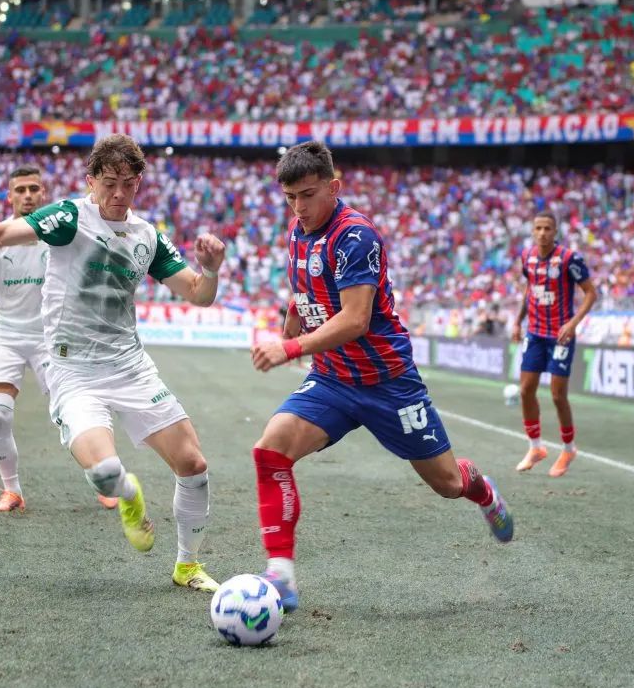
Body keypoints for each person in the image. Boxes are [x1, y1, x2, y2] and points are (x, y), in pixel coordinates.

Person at [0, 135, 224, 592]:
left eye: (128, 185)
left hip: (130, 366)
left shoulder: (147, 236)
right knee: (107, 474)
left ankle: (187, 566)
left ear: (139, 184)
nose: (118, 195)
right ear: (90, 180)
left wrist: (210, 269)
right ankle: (129, 497)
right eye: (109, 183)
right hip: (73, 371)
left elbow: (198, 294)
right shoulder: (70, 217)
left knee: (193, 464)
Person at [249, 142, 513, 612]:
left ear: (334, 185)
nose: (299, 207)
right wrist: (294, 312)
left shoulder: (357, 236)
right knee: (271, 450)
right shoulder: (297, 230)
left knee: (447, 483)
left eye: (308, 195)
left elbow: (355, 319)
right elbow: (310, 284)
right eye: (290, 198)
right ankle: (282, 576)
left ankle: (485, 491)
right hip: (332, 380)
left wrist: (289, 346)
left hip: (389, 384)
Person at [0, 165, 92, 513]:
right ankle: (11, 491)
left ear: (44, 193)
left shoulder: (60, 234)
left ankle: (102, 480)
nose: (27, 195)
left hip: (51, 338)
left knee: (73, 415)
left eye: (34, 189)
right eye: (20, 190)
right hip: (7, 335)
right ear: (10, 195)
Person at [510, 210, 597, 478]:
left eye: (548, 228)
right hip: (534, 333)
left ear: (555, 231)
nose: (542, 233)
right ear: (532, 230)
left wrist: (572, 324)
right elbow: (530, 290)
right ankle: (535, 447)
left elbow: (591, 293)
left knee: (558, 396)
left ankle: (568, 448)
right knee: (525, 391)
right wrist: (517, 321)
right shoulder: (527, 257)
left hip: (560, 335)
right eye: (538, 228)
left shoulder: (569, 259)